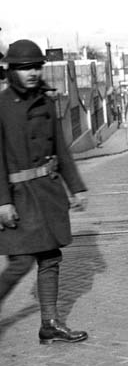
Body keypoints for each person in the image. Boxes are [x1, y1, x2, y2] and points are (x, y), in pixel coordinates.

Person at [0, 39, 89, 344]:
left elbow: (61, 150)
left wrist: (76, 187)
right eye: (24, 68)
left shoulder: (47, 102)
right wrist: (2, 202)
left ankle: (49, 324)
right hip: (19, 196)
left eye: (36, 67)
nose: (32, 73)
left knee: (50, 258)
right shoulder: (0, 106)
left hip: (48, 193)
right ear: (10, 70)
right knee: (21, 262)